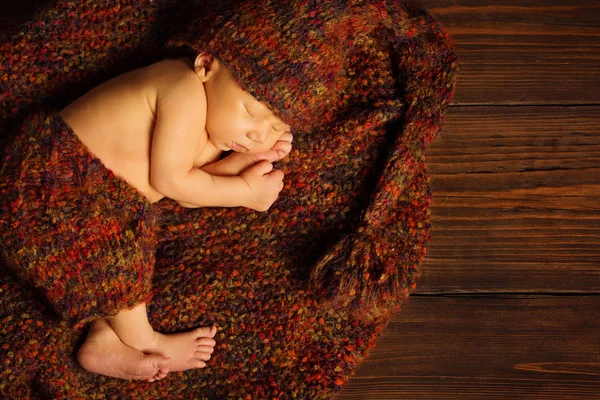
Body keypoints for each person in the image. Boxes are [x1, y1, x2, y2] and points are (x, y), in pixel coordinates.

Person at [19, 52, 292, 382]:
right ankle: (147, 340)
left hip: (88, 202)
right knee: (116, 250)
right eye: (250, 112)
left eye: (277, 127)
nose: (260, 135)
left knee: (111, 252)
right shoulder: (182, 87)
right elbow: (172, 181)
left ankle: (103, 335)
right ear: (206, 66)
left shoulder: (209, 133)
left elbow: (188, 193)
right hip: (46, 177)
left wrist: (242, 164)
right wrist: (245, 194)